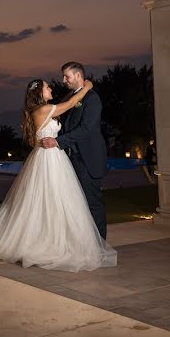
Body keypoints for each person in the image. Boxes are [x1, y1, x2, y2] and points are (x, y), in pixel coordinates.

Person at [0, 77, 117, 272]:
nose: (51, 88)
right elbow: (68, 104)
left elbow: (62, 105)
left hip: (51, 157)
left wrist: (76, 91)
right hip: (49, 159)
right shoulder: (43, 110)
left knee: (54, 199)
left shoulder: (42, 109)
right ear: (39, 93)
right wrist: (87, 87)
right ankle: (47, 241)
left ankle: (54, 236)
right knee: (50, 198)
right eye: (47, 87)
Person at [40, 62, 108, 239]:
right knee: (76, 205)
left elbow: (86, 129)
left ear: (78, 76)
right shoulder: (70, 97)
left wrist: (57, 141)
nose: (63, 80)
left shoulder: (92, 98)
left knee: (92, 204)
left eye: (66, 76)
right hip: (70, 160)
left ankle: (99, 246)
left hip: (87, 159)